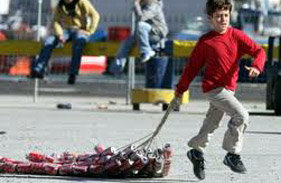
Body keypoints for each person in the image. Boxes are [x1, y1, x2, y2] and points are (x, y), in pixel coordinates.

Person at [174, 0, 266, 180]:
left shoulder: (237, 36)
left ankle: (196, 151)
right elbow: (191, 68)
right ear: (210, 19)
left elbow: (259, 52)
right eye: (218, 16)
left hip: (228, 89)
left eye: (226, 15)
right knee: (241, 116)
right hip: (213, 89)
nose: (223, 20)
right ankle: (232, 154)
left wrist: (257, 66)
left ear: (230, 15)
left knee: (212, 124)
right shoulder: (206, 42)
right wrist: (180, 89)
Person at [31, 0, 100, 85]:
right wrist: (59, 34)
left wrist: (90, 31)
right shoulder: (60, 5)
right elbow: (56, 21)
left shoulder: (82, 2)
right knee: (49, 41)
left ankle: (73, 74)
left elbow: (95, 15)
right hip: (66, 31)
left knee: (78, 43)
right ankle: (38, 70)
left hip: (80, 30)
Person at [108, 0, 168, 76]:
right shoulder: (144, 5)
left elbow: (142, 17)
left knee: (141, 25)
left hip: (157, 33)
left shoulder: (153, 5)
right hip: (146, 34)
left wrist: (136, 5)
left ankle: (146, 51)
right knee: (127, 42)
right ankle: (116, 69)